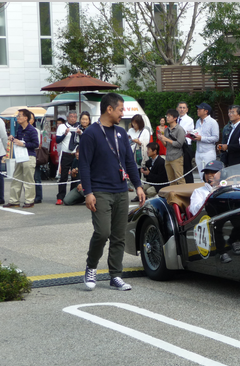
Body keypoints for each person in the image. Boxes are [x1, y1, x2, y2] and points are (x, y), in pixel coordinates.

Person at [79, 92, 146, 291]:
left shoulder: (121, 133)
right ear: (109, 109)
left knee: (119, 235)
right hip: (100, 191)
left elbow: (129, 163)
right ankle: (91, 267)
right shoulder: (90, 134)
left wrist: (139, 185)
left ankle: (115, 275)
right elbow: (84, 166)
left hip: (120, 190)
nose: (122, 113)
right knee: (102, 232)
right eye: (120, 109)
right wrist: (88, 193)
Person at [3, 109, 39, 208]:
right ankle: (14, 200)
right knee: (16, 178)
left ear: (25, 118)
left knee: (28, 179)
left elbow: (36, 144)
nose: (17, 118)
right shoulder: (19, 128)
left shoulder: (32, 130)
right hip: (20, 156)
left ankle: (29, 200)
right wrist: (13, 138)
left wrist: (23, 144)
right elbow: (18, 139)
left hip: (29, 156)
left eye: (19, 116)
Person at [55, 110, 79, 205]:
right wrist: (65, 133)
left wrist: (80, 133)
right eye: (71, 116)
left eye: (74, 116)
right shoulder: (62, 126)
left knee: (74, 176)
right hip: (66, 154)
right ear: (67, 118)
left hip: (76, 155)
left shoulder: (78, 126)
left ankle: (72, 197)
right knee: (63, 176)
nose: (73, 118)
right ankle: (60, 196)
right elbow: (57, 140)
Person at [158, 108, 186, 187]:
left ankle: (183, 196)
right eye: (167, 116)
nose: (167, 118)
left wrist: (167, 139)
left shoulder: (180, 129)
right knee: (171, 180)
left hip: (177, 157)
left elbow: (179, 144)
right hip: (168, 157)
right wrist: (162, 140)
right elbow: (167, 145)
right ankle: (173, 197)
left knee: (180, 179)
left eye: (170, 116)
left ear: (175, 118)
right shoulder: (167, 130)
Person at [194, 102, 219, 180]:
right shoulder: (198, 122)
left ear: (206, 111)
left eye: (200, 109)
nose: (198, 111)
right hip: (198, 151)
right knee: (201, 176)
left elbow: (216, 138)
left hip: (208, 152)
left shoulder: (212, 122)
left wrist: (202, 138)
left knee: (209, 176)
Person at [177, 101, 195, 183]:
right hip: (178, 146)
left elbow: (181, 131)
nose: (182, 109)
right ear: (177, 109)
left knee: (187, 169)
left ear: (187, 110)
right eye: (180, 107)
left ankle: (189, 186)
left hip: (186, 145)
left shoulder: (189, 120)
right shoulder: (176, 119)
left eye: (184, 108)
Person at [28, 112, 43, 204]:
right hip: (24, 156)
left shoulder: (35, 130)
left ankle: (38, 196)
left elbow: (37, 144)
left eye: (32, 118)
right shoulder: (21, 130)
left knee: (36, 177)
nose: (30, 120)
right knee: (28, 177)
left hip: (34, 154)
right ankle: (30, 196)